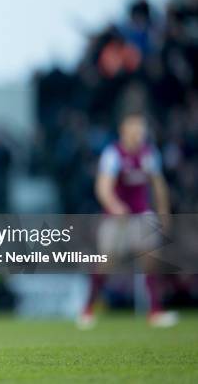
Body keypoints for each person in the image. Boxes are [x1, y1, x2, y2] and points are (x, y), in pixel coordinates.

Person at [77, 109, 178, 329]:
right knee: (107, 263)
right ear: (124, 130)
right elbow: (103, 187)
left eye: (142, 127)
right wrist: (114, 206)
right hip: (117, 218)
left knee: (151, 259)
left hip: (142, 214)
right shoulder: (113, 154)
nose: (139, 132)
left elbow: (158, 184)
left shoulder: (149, 153)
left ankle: (154, 311)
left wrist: (163, 211)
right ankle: (87, 308)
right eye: (135, 127)